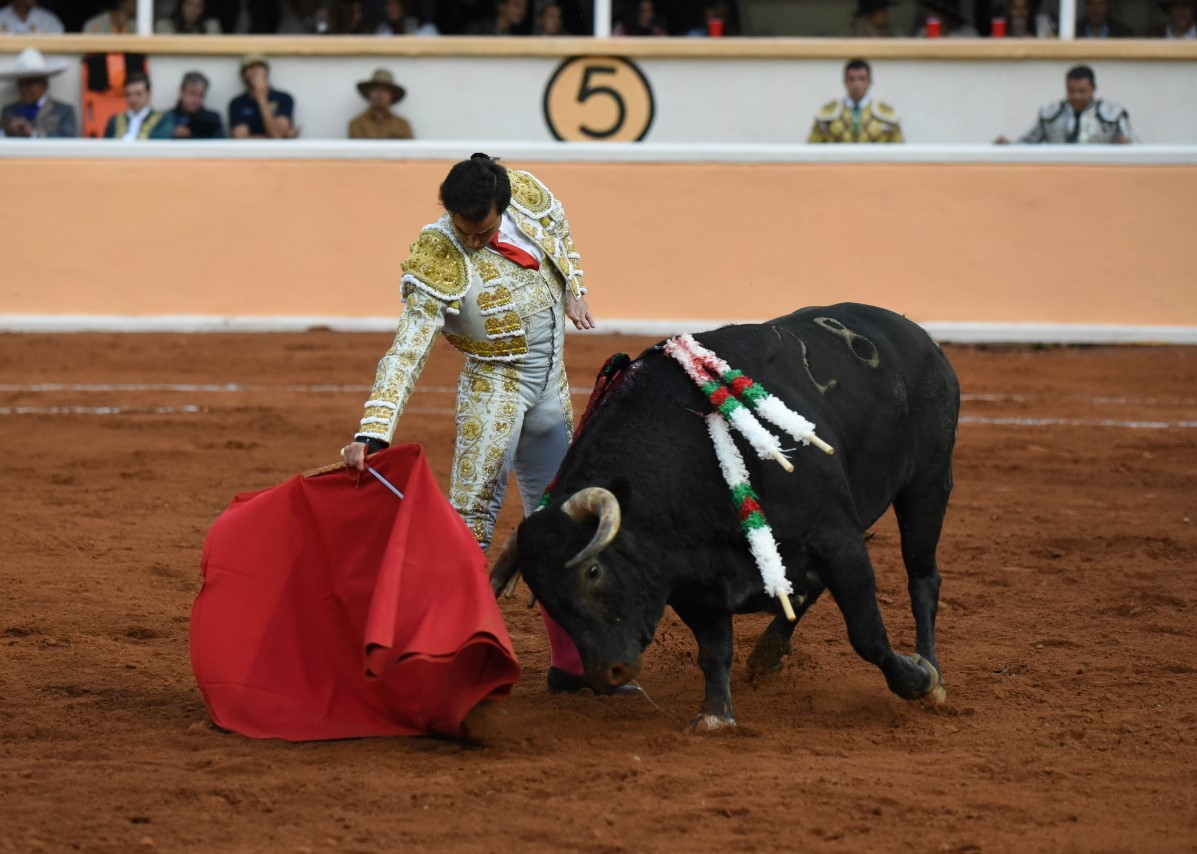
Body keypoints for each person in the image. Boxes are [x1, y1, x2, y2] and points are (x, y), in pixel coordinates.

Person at [340, 154, 621, 695]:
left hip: (552, 386)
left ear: (504, 207)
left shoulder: (528, 195)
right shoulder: (437, 252)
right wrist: (373, 429)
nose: (473, 242)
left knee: (564, 522)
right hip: (495, 391)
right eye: (464, 231)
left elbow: (561, 235)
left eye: (485, 232)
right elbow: (408, 349)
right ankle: (447, 665)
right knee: (470, 528)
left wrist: (575, 287)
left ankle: (573, 664)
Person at [996, 65, 1134, 144]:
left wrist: (1125, 143)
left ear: (1093, 89)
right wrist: (1010, 145)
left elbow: (1134, 145)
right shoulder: (1051, 114)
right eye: (1071, 91)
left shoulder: (1113, 114)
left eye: (1082, 91)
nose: (1076, 96)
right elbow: (1029, 142)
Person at [808, 58, 903, 144]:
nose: (857, 85)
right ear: (845, 81)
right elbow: (812, 148)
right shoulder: (827, 115)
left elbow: (900, 150)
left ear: (869, 81)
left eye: (862, 79)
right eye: (852, 79)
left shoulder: (886, 115)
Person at [0, 48, 76, 138]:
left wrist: (34, 134)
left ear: (44, 84)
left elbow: (69, 139)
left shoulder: (64, 111)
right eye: (22, 83)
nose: (25, 89)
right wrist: (6, 132)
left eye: (30, 83)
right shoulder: (9, 111)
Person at [228, 54, 298, 139]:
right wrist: (280, 136)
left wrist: (262, 98)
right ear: (243, 75)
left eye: (259, 67)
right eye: (250, 68)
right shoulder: (237, 103)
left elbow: (278, 135)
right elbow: (241, 138)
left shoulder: (283, 98)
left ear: (267, 71)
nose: (255, 71)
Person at [103, 71, 176, 140]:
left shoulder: (163, 119)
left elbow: (160, 140)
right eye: (128, 94)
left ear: (148, 94)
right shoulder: (115, 120)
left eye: (138, 94)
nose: (133, 99)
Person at [348, 68, 413, 139]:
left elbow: (409, 145)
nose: (380, 93)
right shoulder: (357, 124)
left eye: (385, 90)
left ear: (392, 95)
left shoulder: (402, 125)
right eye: (376, 89)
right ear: (369, 93)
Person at [169, 71, 224, 138]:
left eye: (201, 95)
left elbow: (220, 141)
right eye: (192, 93)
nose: (196, 100)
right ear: (182, 92)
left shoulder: (212, 119)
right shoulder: (167, 118)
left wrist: (191, 135)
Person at [155, 0, 223, 33]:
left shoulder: (211, 26)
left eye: (198, 6)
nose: (193, 10)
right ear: (181, 5)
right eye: (189, 4)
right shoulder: (164, 26)